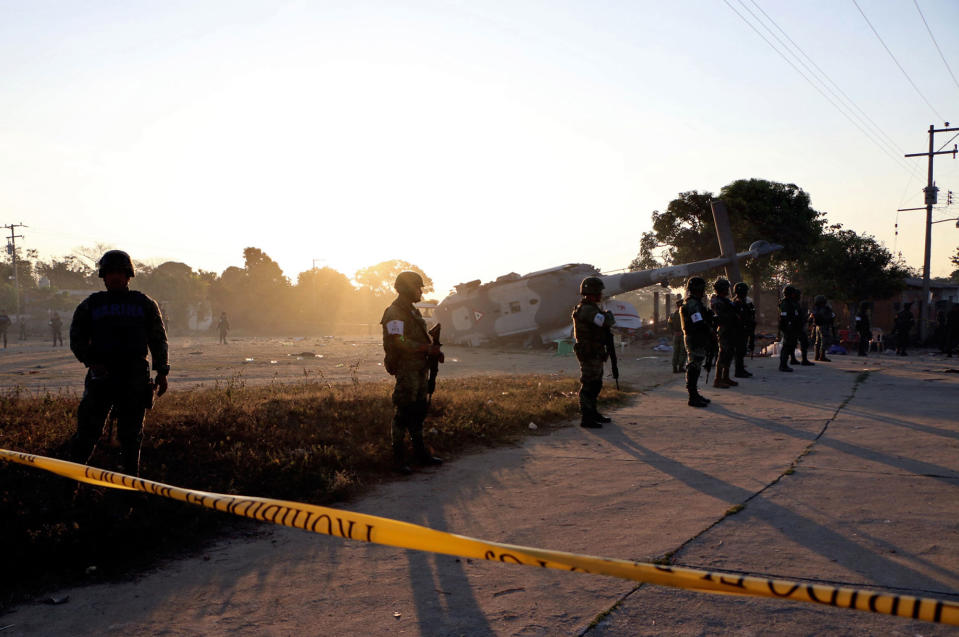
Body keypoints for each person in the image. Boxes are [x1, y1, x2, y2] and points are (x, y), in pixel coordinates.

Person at [69, 250, 169, 476]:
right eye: (110, 273)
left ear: (128, 276)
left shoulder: (144, 304)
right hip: (101, 377)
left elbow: (158, 339)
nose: (114, 277)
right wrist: (91, 362)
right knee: (86, 435)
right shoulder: (91, 305)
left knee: (132, 439)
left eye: (119, 273)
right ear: (103, 276)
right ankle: (70, 485)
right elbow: (77, 338)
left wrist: (162, 371)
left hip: (134, 377)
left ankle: (130, 488)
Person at [381, 271, 443, 473]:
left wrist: (433, 352)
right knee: (403, 412)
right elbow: (398, 342)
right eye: (418, 287)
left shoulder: (412, 311)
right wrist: (426, 349)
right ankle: (398, 458)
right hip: (407, 368)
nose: (421, 291)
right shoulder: (394, 312)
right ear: (408, 288)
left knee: (418, 411)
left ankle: (420, 453)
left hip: (419, 368)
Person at [572, 276, 616, 428]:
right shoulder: (587, 310)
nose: (601, 294)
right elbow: (606, 321)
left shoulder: (592, 308)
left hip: (595, 351)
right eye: (599, 292)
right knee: (589, 384)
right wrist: (608, 314)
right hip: (589, 352)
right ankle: (586, 417)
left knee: (596, 383)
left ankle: (593, 412)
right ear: (593, 292)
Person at [680, 276, 715, 408]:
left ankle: (695, 394)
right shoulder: (692, 304)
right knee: (694, 365)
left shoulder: (695, 302)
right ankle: (692, 396)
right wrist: (709, 329)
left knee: (697, 364)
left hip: (697, 336)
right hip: (694, 337)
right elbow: (698, 321)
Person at [709, 278, 739, 388]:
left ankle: (725, 377)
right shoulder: (717, 302)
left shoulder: (726, 301)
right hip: (724, 330)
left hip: (730, 330)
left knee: (729, 354)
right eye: (726, 288)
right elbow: (721, 317)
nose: (728, 289)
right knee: (723, 354)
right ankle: (718, 379)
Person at [778, 284, 806, 371]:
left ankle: (786, 363)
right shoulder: (785, 303)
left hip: (793, 327)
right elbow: (784, 317)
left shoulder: (791, 302)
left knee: (790, 345)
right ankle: (783, 365)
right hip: (788, 328)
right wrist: (788, 327)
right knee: (786, 346)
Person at [731, 282, 755, 377]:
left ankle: (741, 369)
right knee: (739, 351)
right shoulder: (735, 303)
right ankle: (738, 371)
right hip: (738, 330)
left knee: (742, 351)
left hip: (744, 330)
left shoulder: (744, 302)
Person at [811, 295, 834, 362]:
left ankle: (817, 356)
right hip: (823, 325)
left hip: (817, 326)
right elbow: (828, 316)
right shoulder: (824, 308)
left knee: (818, 341)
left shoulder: (815, 308)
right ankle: (822, 356)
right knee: (824, 340)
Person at [667, 297, 686, 374]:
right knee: (682, 351)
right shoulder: (684, 314)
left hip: (675, 335)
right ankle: (681, 367)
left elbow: (669, 325)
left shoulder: (672, 315)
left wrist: (673, 332)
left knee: (675, 351)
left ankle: (674, 367)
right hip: (683, 334)